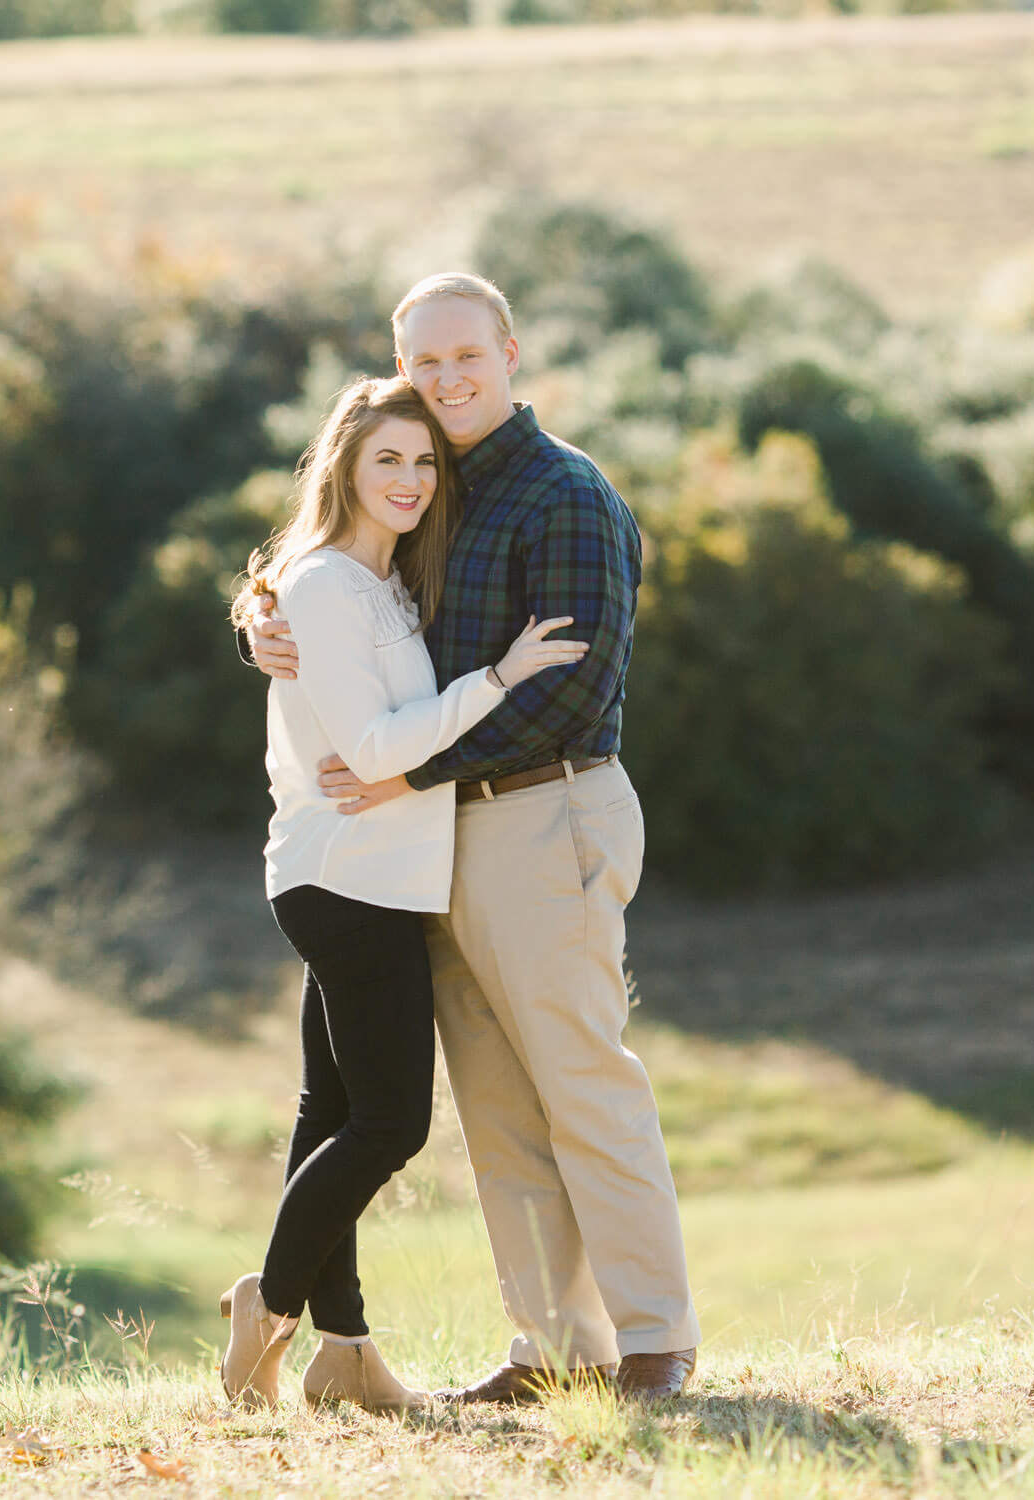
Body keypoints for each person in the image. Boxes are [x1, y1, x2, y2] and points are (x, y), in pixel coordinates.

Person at [245, 274, 700, 1404]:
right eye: (423, 363)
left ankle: (655, 1340)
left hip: (546, 807)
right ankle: (552, 1348)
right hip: (441, 833)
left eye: (465, 356)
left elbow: (571, 689)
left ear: (509, 353)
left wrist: (406, 767)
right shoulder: (426, 490)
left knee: (581, 1080)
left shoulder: (565, 495)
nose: (444, 379)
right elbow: (335, 595)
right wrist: (260, 618)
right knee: (495, 1099)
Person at [219, 374, 590, 1415]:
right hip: (346, 876)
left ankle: (343, 1354)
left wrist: (254, 622)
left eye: (425, 461)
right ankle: (270, 1303)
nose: (412, 479)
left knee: (329, 1108)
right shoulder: (328, 585)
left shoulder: (376, 587)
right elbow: (374, 748)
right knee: (391, 1123)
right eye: (387, 458)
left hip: (371, 876)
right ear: (340, 463)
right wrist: (501, 678)